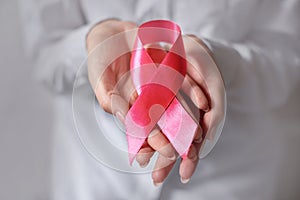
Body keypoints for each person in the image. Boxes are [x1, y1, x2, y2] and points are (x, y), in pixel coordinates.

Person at [20, 0, 300, 199]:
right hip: (95, 179)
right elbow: (46, 53)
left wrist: (227, 64)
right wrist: (93, 44)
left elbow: (286, 59)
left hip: (231, 176)